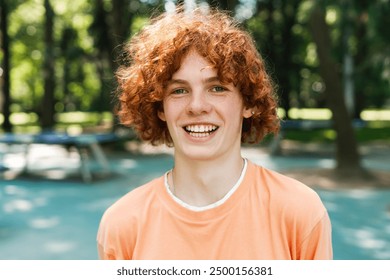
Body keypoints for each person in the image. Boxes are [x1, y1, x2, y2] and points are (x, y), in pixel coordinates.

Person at [97, 6, 333, 260]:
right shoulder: (121, 225)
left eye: (217, 88)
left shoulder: (300, 213)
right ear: (160, 107)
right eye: (179, 90)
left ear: (248, 103)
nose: (197, 106)